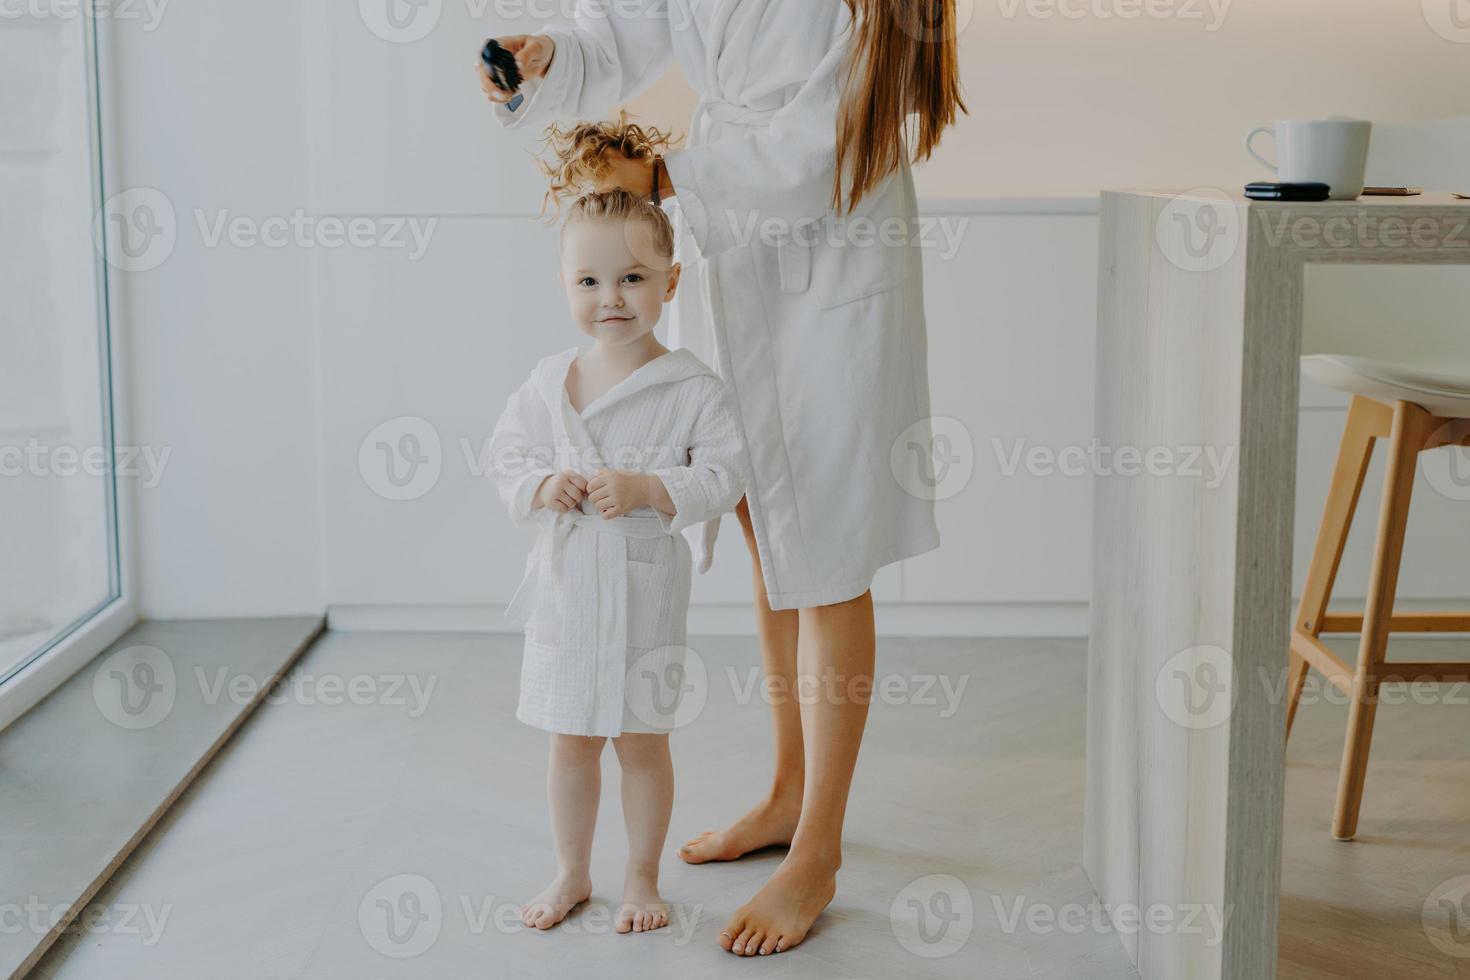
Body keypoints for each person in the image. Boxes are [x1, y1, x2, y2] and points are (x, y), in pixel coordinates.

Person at [480, 0, 965, 957]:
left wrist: (666, 176)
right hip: (736, 249)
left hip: (829, 250)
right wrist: (548, 62)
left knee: (829, 545)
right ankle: (787, 794)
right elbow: (625, 31)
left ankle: (818, 849)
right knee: (764, 520)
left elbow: (832, 137)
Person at [489, 190, 748, 934]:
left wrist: (649, 487)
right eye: (589, 281)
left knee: (642, 739)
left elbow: (726, 473)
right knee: (570, 737)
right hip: (568, 592)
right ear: (565, 284)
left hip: (644, 597)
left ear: (670, 282)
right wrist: (542, 484)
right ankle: (572, 871)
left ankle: (641, 876)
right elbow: (502, 457)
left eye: (633, 278)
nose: (611, 298)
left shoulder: (692, 387)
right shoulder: (549, 383)